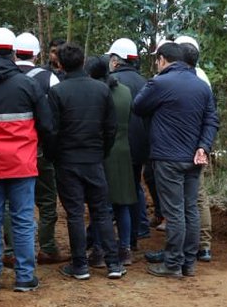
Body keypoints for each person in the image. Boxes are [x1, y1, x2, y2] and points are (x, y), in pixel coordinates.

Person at [0, 27, 55, 293]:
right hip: (23, 164)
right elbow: (46, 124)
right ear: (14, 53)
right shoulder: (28, 84)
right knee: (23, 218)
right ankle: (25, 277)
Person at [133, 41, 218, 278]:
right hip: (193, 157)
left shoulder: (160, 83)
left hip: (167, 157)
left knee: (175, 211)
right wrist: (204, 146)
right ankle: (188, 263)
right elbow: (212, 120)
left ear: (162, 59)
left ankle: (172, 263)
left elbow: (138, 106)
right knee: (190, 209)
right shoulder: (202, 86)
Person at [46, 43, 121, 280]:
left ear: (60, 64)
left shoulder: (58, 92)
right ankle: (114, 264)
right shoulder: (101, 90)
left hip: (68, 161)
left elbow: (51, 130)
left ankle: (80, 265)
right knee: (101, 211)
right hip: (93, 159)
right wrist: (102, 152)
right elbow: (111, 127)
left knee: (75, 213)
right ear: (82, 61)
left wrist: (53, 156)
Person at [14, 32, 62, 264]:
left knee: (8, 201)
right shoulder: (49, 78)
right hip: (41, 148)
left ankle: (11, 250)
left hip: (10, 150)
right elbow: (58, 115)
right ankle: (48, 247)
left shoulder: (4, 76)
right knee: (46, 199)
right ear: (37, 54)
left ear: (15, 52)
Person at [88, 56, 136, 266]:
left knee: (101, 206)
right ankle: (124, 249)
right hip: (124, 151)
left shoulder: (96, 93)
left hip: (102, 152)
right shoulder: (125, 92)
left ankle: (99, 251)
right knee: (122, 203)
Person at [108, 38, 149, 249]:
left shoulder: (111, 81)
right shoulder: (145, 82)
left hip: (117, 147)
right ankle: (138, 228)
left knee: (115, 193)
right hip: (141, 145)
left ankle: (114, 241)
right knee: (134, 186)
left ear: (115, 61)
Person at [175, 36, 213, 262]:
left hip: (187, 144)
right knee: (197, 195)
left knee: (188, 197)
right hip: (199, 143)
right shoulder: (202, 78)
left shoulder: (191, 79)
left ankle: (190, 246)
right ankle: (203, 245)